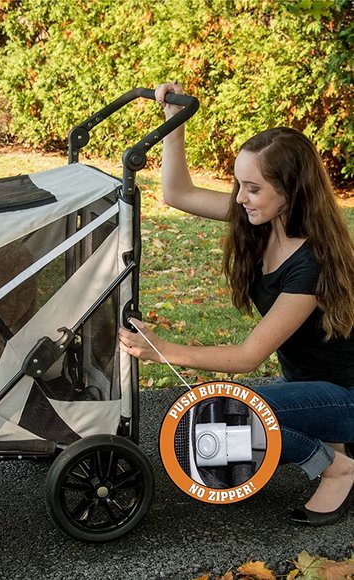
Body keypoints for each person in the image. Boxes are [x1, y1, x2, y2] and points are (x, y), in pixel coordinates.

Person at [119, 81, 354, 526]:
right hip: (309, 388)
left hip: (345, 397)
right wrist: (174, 125)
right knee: (216, 417)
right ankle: (335, 446)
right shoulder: (262, 223)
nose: (240, 197)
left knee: (225, 411)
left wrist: (163, 351)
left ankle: (336, 468)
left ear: (290, 192)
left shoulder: (313, 264)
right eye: (237, 184)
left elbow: (248, 357)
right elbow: (178, 195)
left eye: (252, 188)